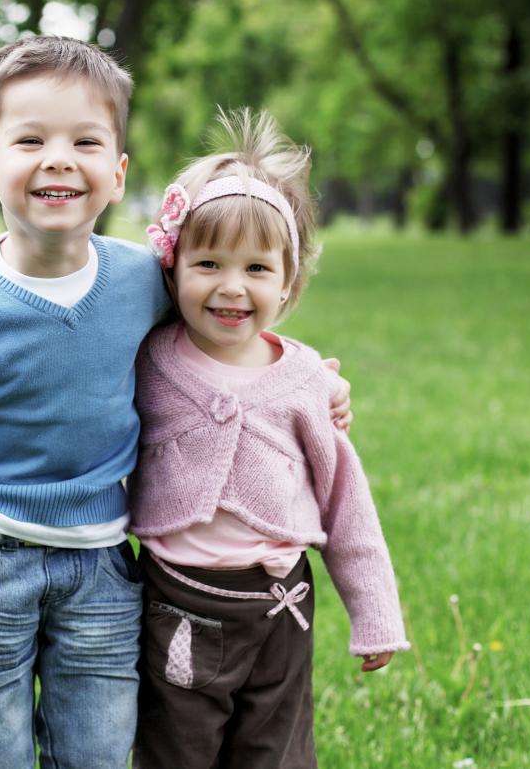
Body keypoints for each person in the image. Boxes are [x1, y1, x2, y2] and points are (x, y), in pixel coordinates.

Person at [0, 35, 351, 769]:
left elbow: (226, 328)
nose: (59, 158)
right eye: (30, 139)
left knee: (100, 751)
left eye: (85, 141)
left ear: (116, 173)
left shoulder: (144, 283)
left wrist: (310, 381)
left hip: (105, 566)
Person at [130, 108, 409, 769]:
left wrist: (375, 614)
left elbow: (348, 505)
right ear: (172, 271)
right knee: (175, 750)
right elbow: (77, 416)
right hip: (175, 602)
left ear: (288, 283)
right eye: (208, 262)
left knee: (274, 753)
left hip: (281, 607)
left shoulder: (305, 380)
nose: (232, 286)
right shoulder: (148, 362)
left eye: (257, 268)